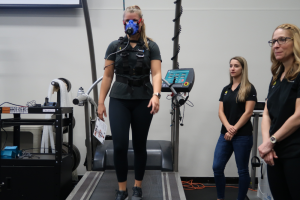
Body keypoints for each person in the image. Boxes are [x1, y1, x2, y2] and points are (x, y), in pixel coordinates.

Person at [97, 5, 162, 200]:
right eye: (127, 20)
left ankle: (138, 187)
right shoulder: (114, 46)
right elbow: (107, 76)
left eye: (134, 19)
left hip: (143, 99)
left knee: (140, 145)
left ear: (140, 21)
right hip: (119, 99)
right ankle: (122, 189)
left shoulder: (151, 46)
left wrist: (156, 95)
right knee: (119, 145)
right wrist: (100, 102)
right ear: (123, 22)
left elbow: (157, 73)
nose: (130, 23)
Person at [258, 24, 300, 200]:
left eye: (282, 40)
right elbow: (266, 113)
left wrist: (272, 141)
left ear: (296, 43)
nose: (276, 45)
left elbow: (298, 116)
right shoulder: (276, 76)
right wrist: (268, 143)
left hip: (295, 152)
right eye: (274, 41)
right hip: (274, 152)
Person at [213, 56, 257, 200]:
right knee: (217, 167)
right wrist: (228, 127)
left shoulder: (249, 88)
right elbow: (220, 111)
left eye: (236, 66)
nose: (232, 68)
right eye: (231, 65)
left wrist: (234, 129)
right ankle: (220, 198)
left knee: (243, 171)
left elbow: (248, 112)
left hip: (243, 135)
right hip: (225, 134)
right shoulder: (225, 89)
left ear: (243, 69)